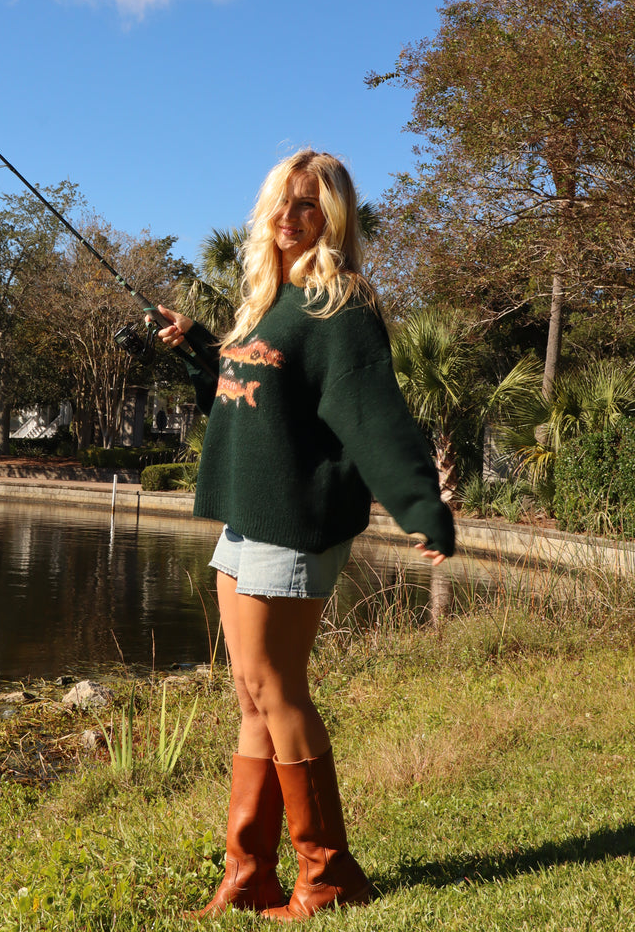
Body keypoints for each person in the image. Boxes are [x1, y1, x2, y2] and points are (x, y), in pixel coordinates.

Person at [154, 149, 455, 921]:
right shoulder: (273, 300)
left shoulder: (338, 304)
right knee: (250, 698)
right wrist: (197, 350)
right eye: (282, 205)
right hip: (249, 518)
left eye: (309, 207)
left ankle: (327, 875)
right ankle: (249, 874)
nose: (289, 219)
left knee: (278, 692)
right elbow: (246, 399)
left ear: (334, 217)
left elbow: (372, 414)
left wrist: (420, 503)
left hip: (294, 522)